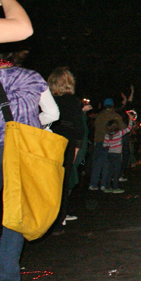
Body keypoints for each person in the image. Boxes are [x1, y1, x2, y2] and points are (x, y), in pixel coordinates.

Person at [0, 50, 59, 281]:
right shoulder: (31, 77)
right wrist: (32, 122)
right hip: (19, 150)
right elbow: (53, 114)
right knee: (16, 213)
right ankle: (3, 280)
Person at [47, 67, 86, 235]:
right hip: (66, 143)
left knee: (47, 182)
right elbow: (79, 128)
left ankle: (46, 219)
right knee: (62, 183)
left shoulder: (47, 99)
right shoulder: (72, 101)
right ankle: (58, 223)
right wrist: (77, 148)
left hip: (49, 140)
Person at [89, 98, 125, 191]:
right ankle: (104, 184)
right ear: (112, 105)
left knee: (97, 164)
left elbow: (95, 127)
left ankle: (93, 184)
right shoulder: (115, 116)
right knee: (107, 165)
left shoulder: (99, 116)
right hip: (109, 142)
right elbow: (122, 127)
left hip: (98, 142)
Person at [102, 112, 135, 193]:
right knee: (117, 171)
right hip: (117, 154)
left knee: (110, 171)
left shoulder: (107, 135)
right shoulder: (119, 133)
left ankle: (107, 187)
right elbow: (128, 129)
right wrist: (130, 120)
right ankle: (115, 187)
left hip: (110, 154)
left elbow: (104, 145)